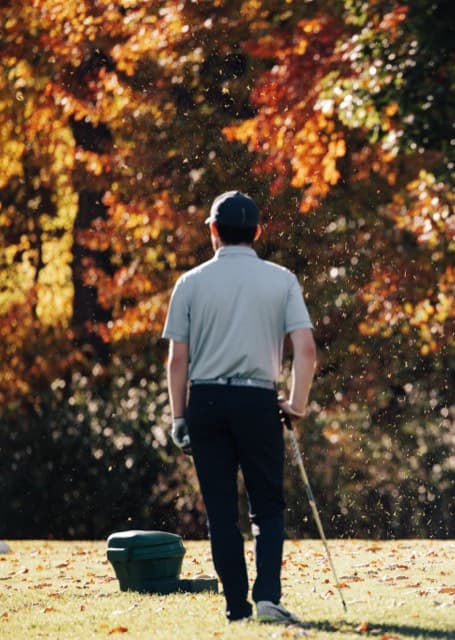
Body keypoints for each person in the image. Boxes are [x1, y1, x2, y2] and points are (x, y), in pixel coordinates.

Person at [162, 191, 317, 623]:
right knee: (267, 506)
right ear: (258, 232)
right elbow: (306, 350)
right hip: (258, 400)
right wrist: (297, 404)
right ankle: (267, 597)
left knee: (221, 512)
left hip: (206, 401)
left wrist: (179, 418)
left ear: (213, 230)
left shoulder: (190, 283)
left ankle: (236, 607)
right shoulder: (281, 279)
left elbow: (177, 359)